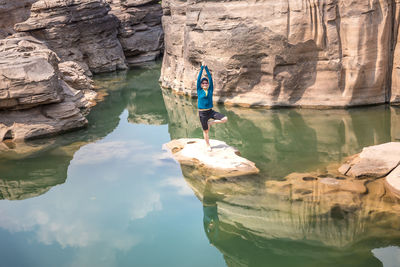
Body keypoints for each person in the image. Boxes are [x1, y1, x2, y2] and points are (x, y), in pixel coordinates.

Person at [197, 64, 228, 151]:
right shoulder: (199, 90)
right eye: (203, 83)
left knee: (225, 118)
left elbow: (210, 78)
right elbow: (198, 79)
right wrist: (201, 69)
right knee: (206, 131)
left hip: (210, 112)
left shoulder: (210, 90)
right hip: (202, 113)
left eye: (206, 83)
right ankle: (208, 145)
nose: (205, 84)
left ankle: (210, 123)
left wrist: (206, 68)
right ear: (201, 84)